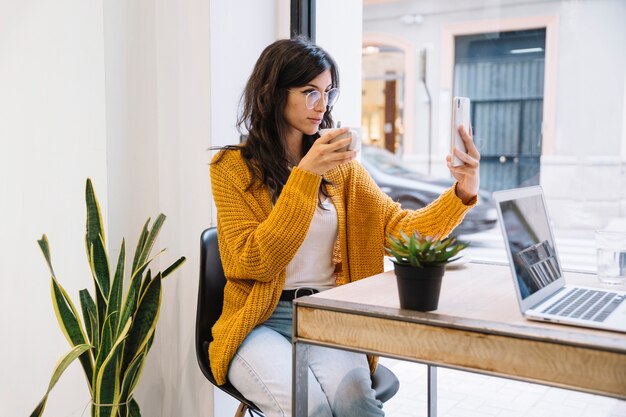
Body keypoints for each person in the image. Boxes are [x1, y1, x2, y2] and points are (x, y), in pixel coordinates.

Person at [209, 36, 480, 417]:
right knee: (311, 407)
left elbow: (402, 232)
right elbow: (251, 263)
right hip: (259, 322)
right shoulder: (232, 168)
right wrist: (305, 175)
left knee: (358, 406)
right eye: (309, 92)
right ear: (272, 93)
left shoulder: (342, 169)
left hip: (328, 316)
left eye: (328, 93)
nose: (321, 106)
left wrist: (462, 192)